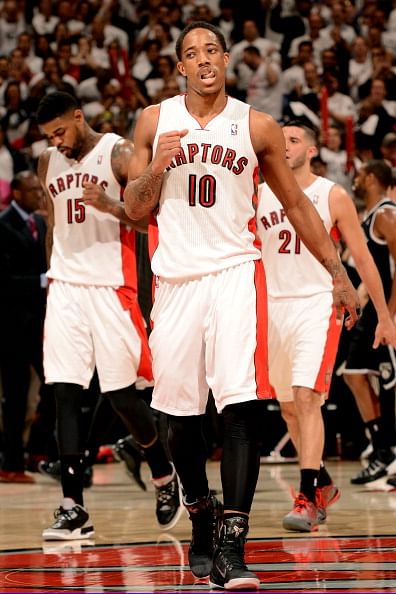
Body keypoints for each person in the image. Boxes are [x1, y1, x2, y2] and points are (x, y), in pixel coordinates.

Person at [123, 21, 360, 591]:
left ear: (226, 59)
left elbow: (299, 206)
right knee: (178, 417)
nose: (202, 59)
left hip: (235, 274)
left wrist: (337, 270)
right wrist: (157, 166)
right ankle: (200, 512)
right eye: (191, 53)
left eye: (211, 50)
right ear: (179, 67)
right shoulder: (156, 121)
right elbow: (134, 209)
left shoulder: (256, 126)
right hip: (176, 279)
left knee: (240, 407)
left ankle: (233, 544)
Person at [35, 91, 181, 541]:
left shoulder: (118, 154)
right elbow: (53, 226)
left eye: (61, 131)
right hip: (65, 288)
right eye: (48, 136)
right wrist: (52, 276)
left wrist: (111, 207)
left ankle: (161, 470)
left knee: (120, 397)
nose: (56, 142)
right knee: (63, 391)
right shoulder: (47, 163)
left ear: (79, 117)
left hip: (113, 289)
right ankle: (73, 506)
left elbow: (151, 220)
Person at [257, 120, 396, 533]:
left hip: (316, 304)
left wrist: (385, 317)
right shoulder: (257, 192)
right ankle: (321, 481)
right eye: (279, 141)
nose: (284, 146)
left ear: (313, 150)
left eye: (294, 140)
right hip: (271, 308)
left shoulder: (330, 195)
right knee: (286, 407)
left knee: (306, 398)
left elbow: (364, 257)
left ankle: (306, 497)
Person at [342, 160, 396, 486]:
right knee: (354, 374)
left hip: (389, 311)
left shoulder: (387, 215)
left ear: (373, 178)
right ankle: (382, 449)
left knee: (391, 384)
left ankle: (387, 452)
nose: (356, 180)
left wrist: (390, 313)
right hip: (374, 310)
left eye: (360, 175)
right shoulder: (368, 217)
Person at [0, 170, 48, 483]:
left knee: (56, 386)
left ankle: (39, 449)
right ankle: (12, 463)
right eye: (33, 191)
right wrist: (42, 281)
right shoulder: (2, 225)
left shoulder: (40, 222)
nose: (39, 196)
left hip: (41, 323)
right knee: (15, 398)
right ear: (17, 192)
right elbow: (4, 283)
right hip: (11, 326)